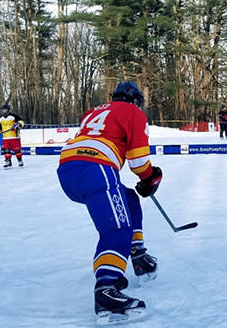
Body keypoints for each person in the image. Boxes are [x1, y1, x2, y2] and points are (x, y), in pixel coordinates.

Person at [56, 81, 162, 324]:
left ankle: (138, 255)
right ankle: (106, 288)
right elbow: (137, 161)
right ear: (136, 100)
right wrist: (151, 176)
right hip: (96, 168)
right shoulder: (133, 112)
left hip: (68, 170)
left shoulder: (94, 111)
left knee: (128, 199)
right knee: (116, 230)